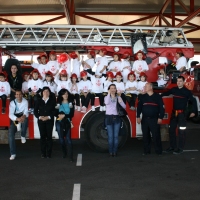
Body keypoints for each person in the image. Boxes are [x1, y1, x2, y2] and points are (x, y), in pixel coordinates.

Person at [161, 76, 196, 154]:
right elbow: (165, 93)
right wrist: (154, 96)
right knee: (171, 130)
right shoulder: (174, 90)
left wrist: (194, 111)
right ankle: (172, 147)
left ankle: (180, 148)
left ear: (183, 82)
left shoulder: (187, 92)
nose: (178, 82)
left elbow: (194, 101)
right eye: (177, 81)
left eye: (180, 81)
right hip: (174, 114)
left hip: (182, 115)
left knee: (181, 132)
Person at [137, 83, 164, 155]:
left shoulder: (157, 97)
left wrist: (160, 117)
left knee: (156, 136)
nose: (145, 87)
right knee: (145, 136)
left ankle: (158, 151)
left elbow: (162, 108)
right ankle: (146, 151)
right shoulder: (142, 97)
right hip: (145, 119)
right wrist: (138, 116)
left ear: (151, 87)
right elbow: (139, 108)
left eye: (146, 86)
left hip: (154, 119)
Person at [34, 87, 56, 158]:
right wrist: (40, 117)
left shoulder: (52, 101)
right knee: (42, 137)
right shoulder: (38, 101)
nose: (46, 93)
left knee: (49, 137)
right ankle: (43, 153)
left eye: (47, 91)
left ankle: (49, 153)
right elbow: (35, 111)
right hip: (41, 121)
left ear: (49, 93)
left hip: (49, 120)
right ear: (42, 93)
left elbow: (54, 111)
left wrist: (48, 117)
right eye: (44, 91)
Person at [104, 84, 126, 157]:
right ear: (109, 89)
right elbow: (106, 102)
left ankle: (115, 151)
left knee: (115, 136)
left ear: (116, 89)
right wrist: (109, 93)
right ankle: (110, 151)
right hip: (109, 118)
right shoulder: (106, 97)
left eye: (114, 88)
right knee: (110, 136)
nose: (113, 89)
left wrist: (121, 101)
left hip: (117, 118)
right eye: (111, 88)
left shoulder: (118, 97)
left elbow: (124, 106)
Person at [8, 90, 29, 160]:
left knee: (25, 120)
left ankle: (23, 135)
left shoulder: (25, 101)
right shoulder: (12, 103)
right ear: (15, 96)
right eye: (17, 94)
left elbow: (26, 111)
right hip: (15, 119)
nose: (18, 96)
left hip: (22, 117)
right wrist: (17, 119)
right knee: (11, 134)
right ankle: (13, 153)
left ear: (22, 95)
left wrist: (24, 116)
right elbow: (10, 114)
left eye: (20, 94)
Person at [55, 89, 74, 161]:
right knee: (61, 139)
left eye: (66, 94)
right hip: (59, 122)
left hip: (67, 122)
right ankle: (64, 153)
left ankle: (71, 156)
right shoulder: (58, 103)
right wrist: (59, 116)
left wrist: (65, 116)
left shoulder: (71, 103)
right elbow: (55, 113)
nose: (65, 95)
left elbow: (72, 114)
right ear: (61, 95)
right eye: (64, 94)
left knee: (68, 139)